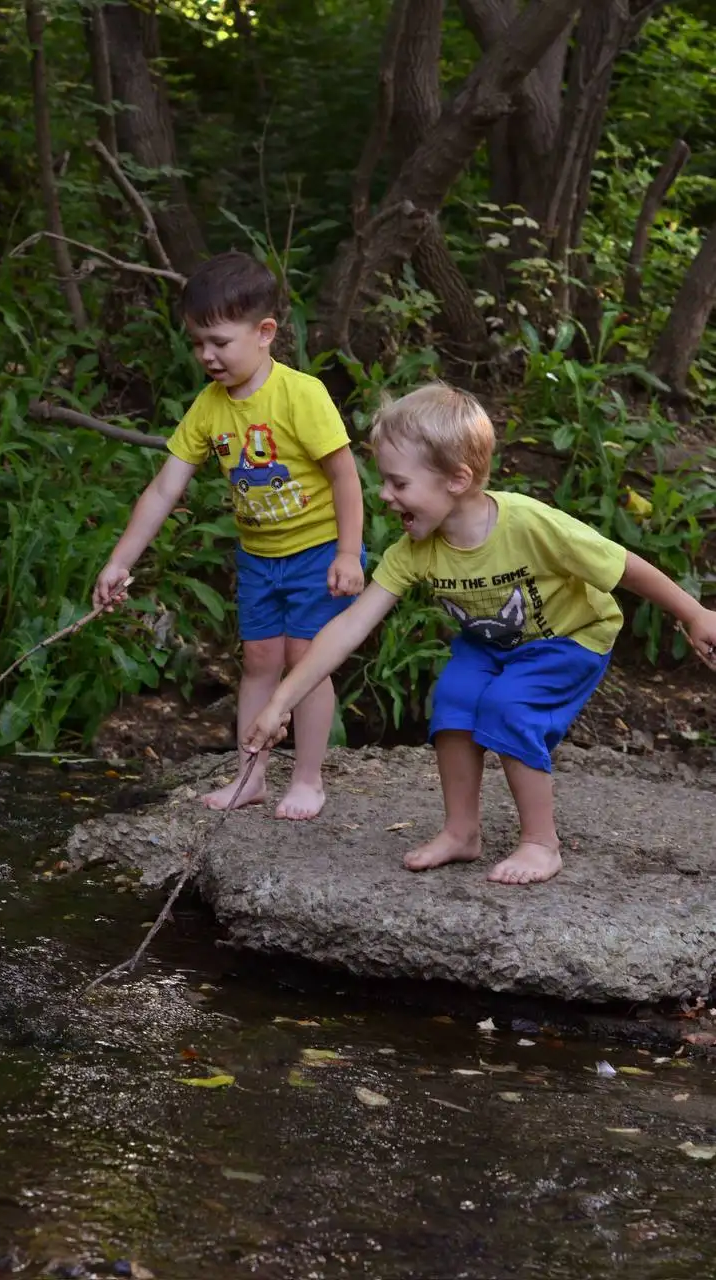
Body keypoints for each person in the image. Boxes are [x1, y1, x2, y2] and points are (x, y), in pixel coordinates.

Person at [242, 382, 716, 884]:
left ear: (457, 479)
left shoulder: (529, 524)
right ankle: (461, 832)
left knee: (509, 707)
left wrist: (694, 614)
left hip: (569, 637)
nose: (384, 495)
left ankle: (541, 843)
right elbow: (349, 626)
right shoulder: (414, 550)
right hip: (491, 644)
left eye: (398, 483)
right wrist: (279, 703)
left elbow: (622, 567)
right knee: (454, 701)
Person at [93, 251, 365, 820]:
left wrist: (347, 552)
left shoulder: (301, 394)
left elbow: (345, 475)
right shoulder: (208, 408)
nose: (206, 355)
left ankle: (308, 779)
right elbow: (164, 489)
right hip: (260, 557)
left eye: (219, 341)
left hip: (318, 552)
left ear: (265, 332)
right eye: (197, 343)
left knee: (306, 660)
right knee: (260, 659)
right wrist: (120, 561)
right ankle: (251, 776)